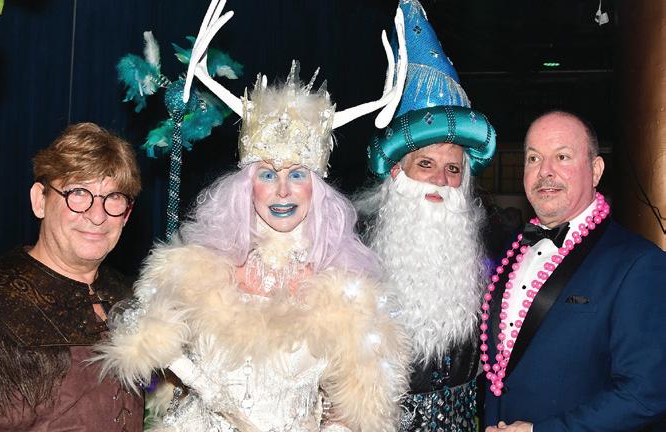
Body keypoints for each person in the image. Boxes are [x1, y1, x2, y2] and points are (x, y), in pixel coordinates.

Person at [94, 1, 411, 431]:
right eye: (267, 173)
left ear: (316, 189)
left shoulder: (348, 289)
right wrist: (200, 384)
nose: (282, 190)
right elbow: (145, 347)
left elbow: (363, 405)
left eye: (297, 174)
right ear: (247, 184)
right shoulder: (196, 268)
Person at [356, 1, 496, 430]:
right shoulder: (354, 255)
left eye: (453, 169)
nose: (440, 179)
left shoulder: (485, 265)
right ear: (397, 173)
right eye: (426, 164)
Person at [482, 111, 666, 431]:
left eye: (562, 156)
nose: (545, 171)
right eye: (533, 158)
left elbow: (645, 394)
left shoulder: (638, 263)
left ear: (595, 171)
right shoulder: (511, 250)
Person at [0, 122, 144, 431]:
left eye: (113, 197)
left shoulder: (130, 297)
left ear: (127, 214)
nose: (97, 215)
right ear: (40, 200)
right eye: (78, 193)